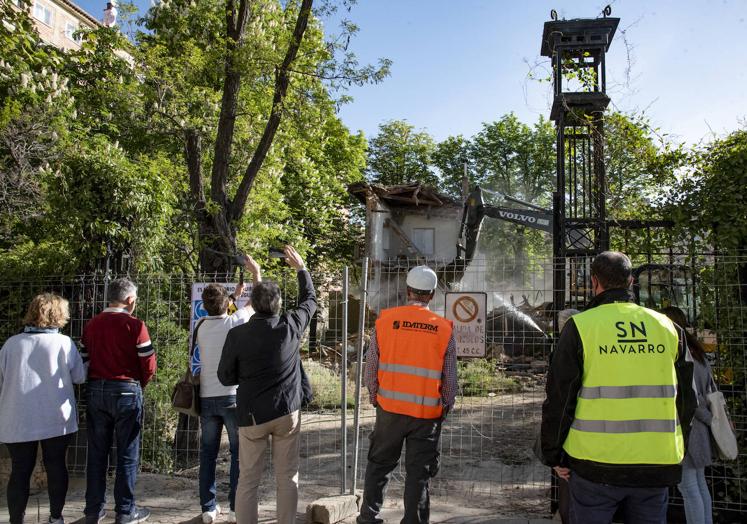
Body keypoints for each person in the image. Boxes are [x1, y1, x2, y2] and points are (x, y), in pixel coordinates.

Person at [539, 251, 696, 524]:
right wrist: (678, 448)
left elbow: (560, 399)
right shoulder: (668, 328)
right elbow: (687, 400)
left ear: (593, 282)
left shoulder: (581, 327)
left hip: (593, 465)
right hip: (656, 464)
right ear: (631, 281)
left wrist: (553, 454)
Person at [218, 245, 315, 524]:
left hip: (251, 415)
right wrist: (300, 268)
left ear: (253, 304)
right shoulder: (291, 326)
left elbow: (225, 377)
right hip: (286, 412)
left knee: (247, 479)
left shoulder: (238, 335)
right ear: (279, 304)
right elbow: (310, 299)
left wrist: (245, 377)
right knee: (288, 477)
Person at [357, 265, 458, 524]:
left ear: (407, 291)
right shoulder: (444, 328)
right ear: (432, 294)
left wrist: (375, 399)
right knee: (418, 474)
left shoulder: (385, 321)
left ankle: (368, 517)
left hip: (389, 409)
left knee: (379, 465)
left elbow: (371, 368)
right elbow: (450, 380)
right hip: (426, 415)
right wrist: (444, 408)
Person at [0, 293, 86, 524]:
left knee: (20, 471)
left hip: (17, 417)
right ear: (59, 314)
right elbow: (79, 377)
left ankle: (16, 520)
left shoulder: (11, 344)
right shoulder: (63, 344)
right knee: (56, 465)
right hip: (55, 417)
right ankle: (56, 517)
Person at [81, 278, 155, 524]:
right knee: (127, 453)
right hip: (126, 389)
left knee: (97, 453)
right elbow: (148, 362)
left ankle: (93, 509)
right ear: (130, 300)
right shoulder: (135, 325)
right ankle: (125, 511)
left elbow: (84, 358)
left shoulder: (92, 325)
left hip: (96, 389)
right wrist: (138, 384)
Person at [193, 258, 257, 524]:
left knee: (207, 454)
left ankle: (208, 507)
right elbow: (254, 305)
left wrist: (232, 296)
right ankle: (234, 508)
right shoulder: (234, 323)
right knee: (237, 454)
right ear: (226, 303)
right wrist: (257, 273)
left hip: (207, 397)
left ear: (203, 304)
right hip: (231, 395)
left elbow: (220, 309)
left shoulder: (200, 327)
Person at [662, 306, 715, 524]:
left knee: (688, 487)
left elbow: (691, 398)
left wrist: (707, 418)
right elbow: (710, 389)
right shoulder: (698, 352)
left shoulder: (680, 354)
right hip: (700, 429)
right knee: (699, 484)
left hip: (688, 427)